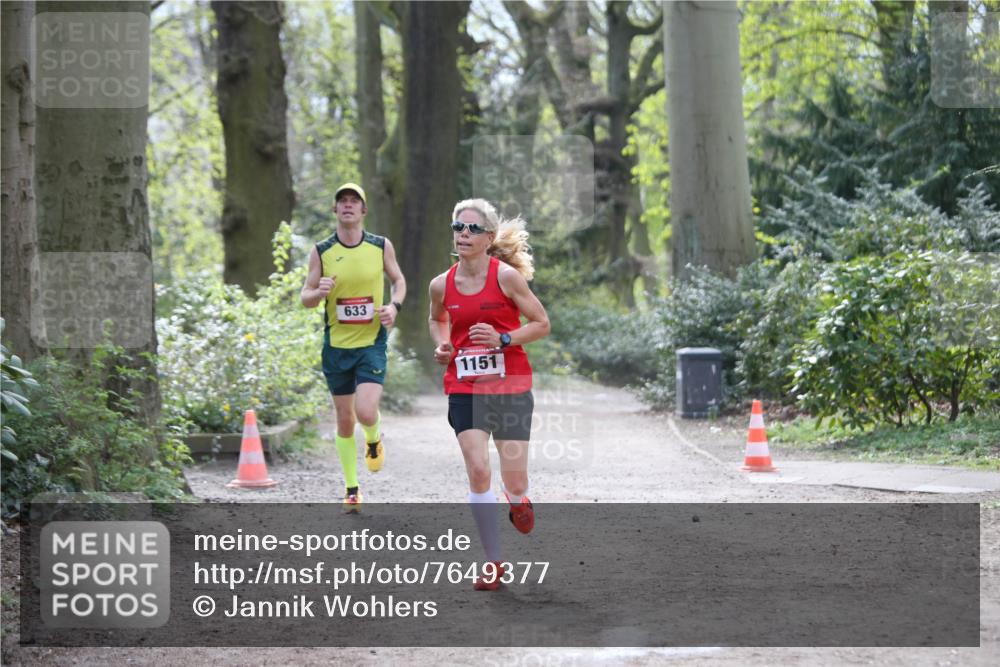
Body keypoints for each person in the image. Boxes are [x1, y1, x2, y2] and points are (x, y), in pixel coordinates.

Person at [427, 198, 551, 590]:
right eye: (458, 227)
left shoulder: (507, 279)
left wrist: (503, 338)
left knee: (514, 483)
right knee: (478, 469)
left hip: (511, 383)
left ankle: (519, 501)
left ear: (489, 237)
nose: (463, 234)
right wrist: (443, 343)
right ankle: (494, 563)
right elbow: (437, 318)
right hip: (464, 385)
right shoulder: (440, 284)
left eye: (472, 229)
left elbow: (541, 323)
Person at [301, 183, 406, 512]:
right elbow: (305, 298)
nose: (348, 206)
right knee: (345, 421)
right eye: (342, 201)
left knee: (364, 411)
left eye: (354, 202)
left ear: (363, 211)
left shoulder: (379, 246)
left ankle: (374, 438)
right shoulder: (321, 251)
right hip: (336, 346)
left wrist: (394, 307)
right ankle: (351, 488)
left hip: (370, 344)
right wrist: (318, 291)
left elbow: (398, 281)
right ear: (335, 210)